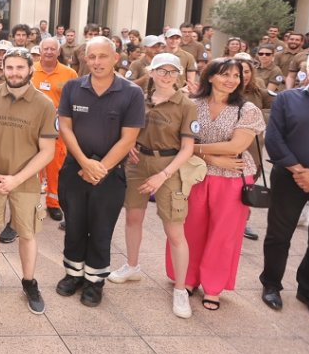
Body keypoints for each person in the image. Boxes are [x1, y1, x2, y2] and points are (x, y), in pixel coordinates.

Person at [56, 36, 145, 307]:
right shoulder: (72, 87)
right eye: (91, 57)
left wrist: (99, 168)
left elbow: (128, 139)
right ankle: (73, 274)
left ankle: (94, 281)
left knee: (101, 227)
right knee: (74, 224)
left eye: (102, 56)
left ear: (115, 58)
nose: (96, 62)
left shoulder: (131, 93)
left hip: (110, 174)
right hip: (75, 169)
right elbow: (66, 127)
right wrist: (84, 163)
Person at [0, 48, 56, 314]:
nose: (14, 73)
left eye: (20, 68)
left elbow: (48, 151)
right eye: (10, 68)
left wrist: (16, 179)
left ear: (30, 69)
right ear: (2, 69)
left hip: (25, 181)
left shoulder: (44, 104)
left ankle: (29, 282)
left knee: (27, 234)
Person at [110, 53, 198, 319]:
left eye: (172, 71)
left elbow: (188, 147)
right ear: (152, 72)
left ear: (179, 75)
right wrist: (128, 148)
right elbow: (126, 129)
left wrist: (164, 174)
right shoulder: (140, 99)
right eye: (162, 70)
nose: (166, 76)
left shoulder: (185, 104)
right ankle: (132, 266)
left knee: (174, 230)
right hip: (138, 163)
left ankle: (181, 289)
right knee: (133, 217)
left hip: (169, 166)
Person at [184, 57, 265, 310]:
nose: (231, 80)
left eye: (236, 76)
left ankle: (213, 286)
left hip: (233, 179)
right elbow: (176, 139)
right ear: (209, 77)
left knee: (224, 235)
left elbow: (237, 146)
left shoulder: (247, 109)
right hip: (195, 175)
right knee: (191, 229)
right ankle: (187, 278)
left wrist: (192, 148)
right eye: (225, 74)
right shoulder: (191, 105)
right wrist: (211, 157)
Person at [260, 47, 309, 322]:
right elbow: (274, 139)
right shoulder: (288, 99)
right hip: (290, 177)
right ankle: (271, 285)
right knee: (279, 234)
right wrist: (302, 172)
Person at [32, 37, 77, 222]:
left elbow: (74, 100)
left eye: (53, 49)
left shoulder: (70, 74)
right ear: (40, 51)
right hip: (33, 126)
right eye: (46, 48)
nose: (49, 52)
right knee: (32, 165)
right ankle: (33, 204)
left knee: (55, 167)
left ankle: (53, 203)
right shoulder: (30, 69)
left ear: (59, 52)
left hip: (57, 128)